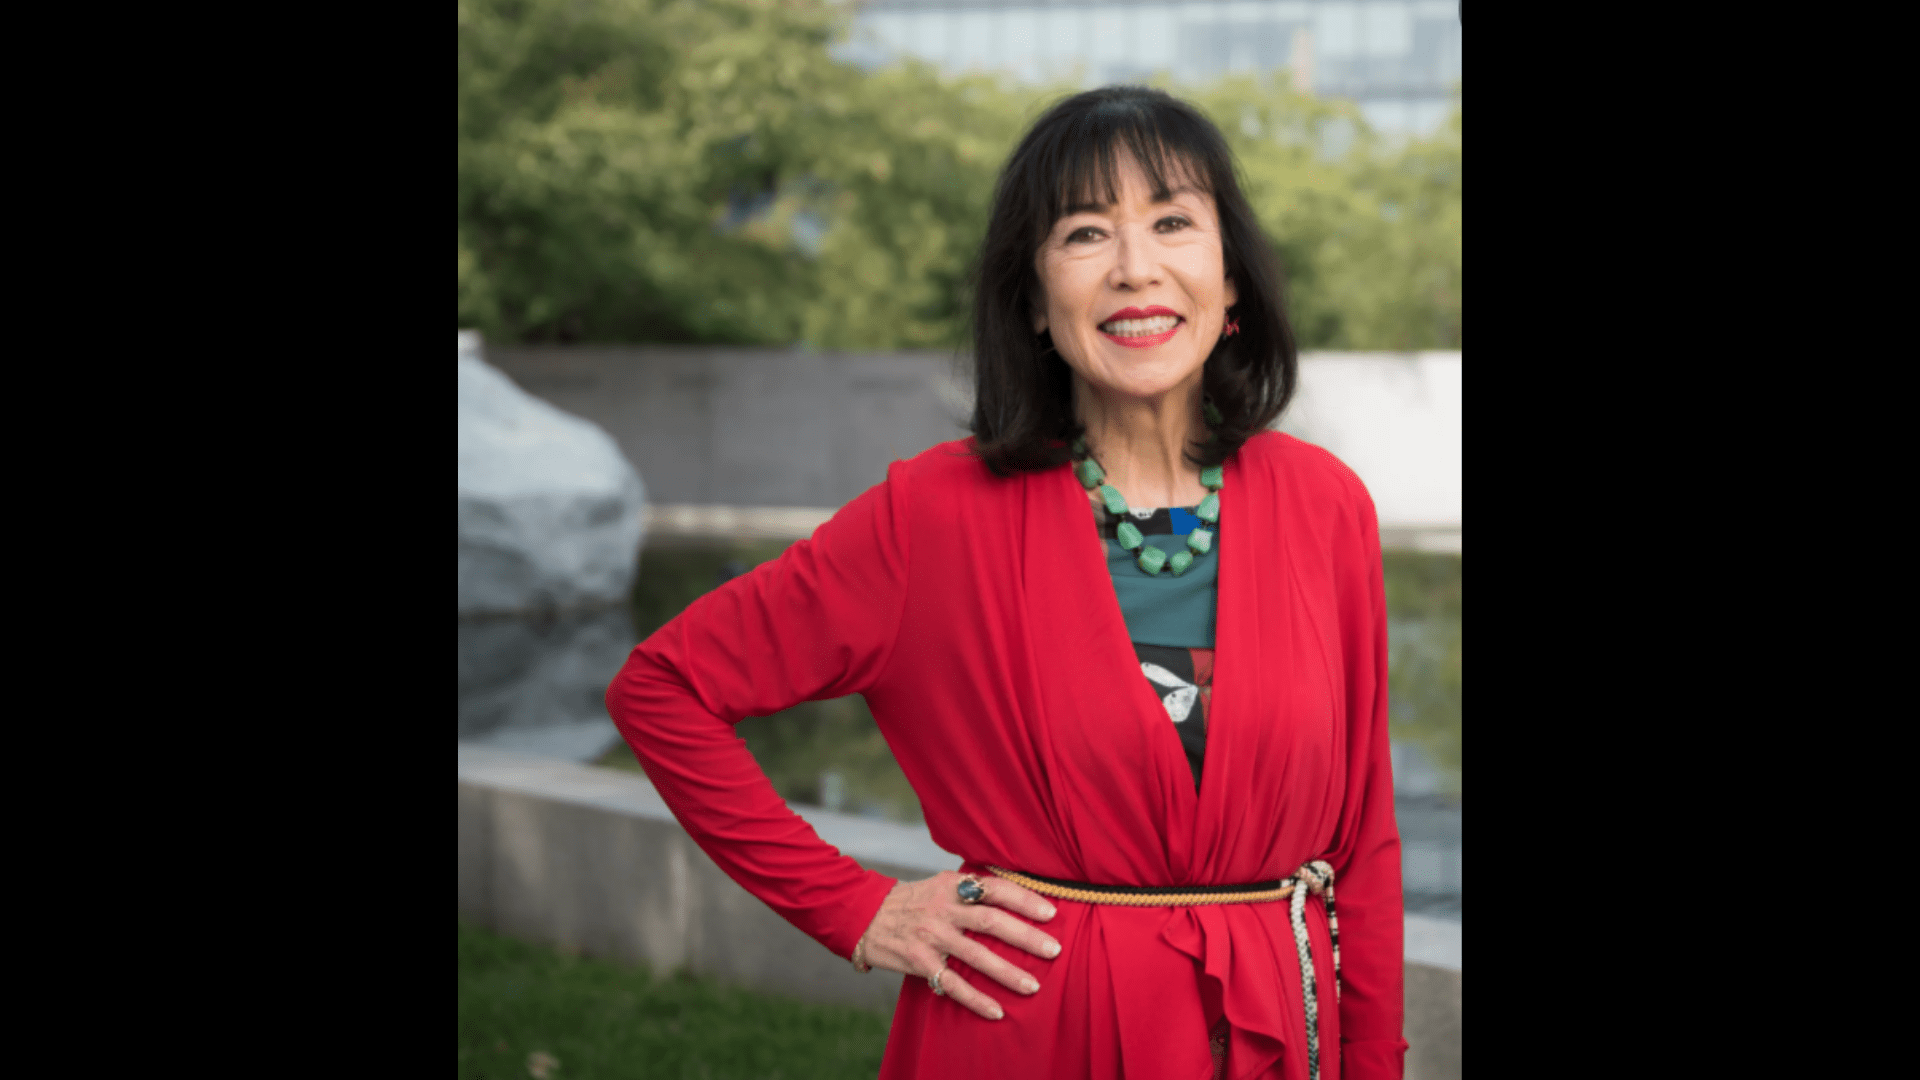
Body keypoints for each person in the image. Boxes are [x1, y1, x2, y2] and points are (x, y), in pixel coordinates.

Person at [606, 85, 1405, 1080]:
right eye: (1084, 233)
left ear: (1231, 278)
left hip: (1276, 1036)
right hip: (1026, 1034)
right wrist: (854, 906)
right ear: (1032, 297)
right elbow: (664, 688)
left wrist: (1376, 1061)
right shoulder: (932, 517)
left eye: (1171, 221)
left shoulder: (1323, 505)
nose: (1135, 267)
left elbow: (1362, 837)